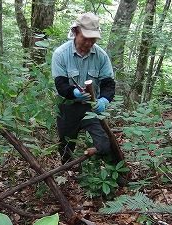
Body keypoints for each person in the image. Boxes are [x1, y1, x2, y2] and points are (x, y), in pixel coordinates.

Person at [51, 12, 117, 165]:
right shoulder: (60, 54)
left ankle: (109, 172)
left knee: (105, 144)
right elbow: (60, 84)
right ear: (75, 32)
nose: (88, 43)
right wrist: (73, 93)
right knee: (66, 146)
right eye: (85, 38)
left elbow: (108, 84)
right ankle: (68, 172)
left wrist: (104, 100)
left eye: (92, 39)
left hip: (92, 107)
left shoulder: (101, 56)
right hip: (67, 107)